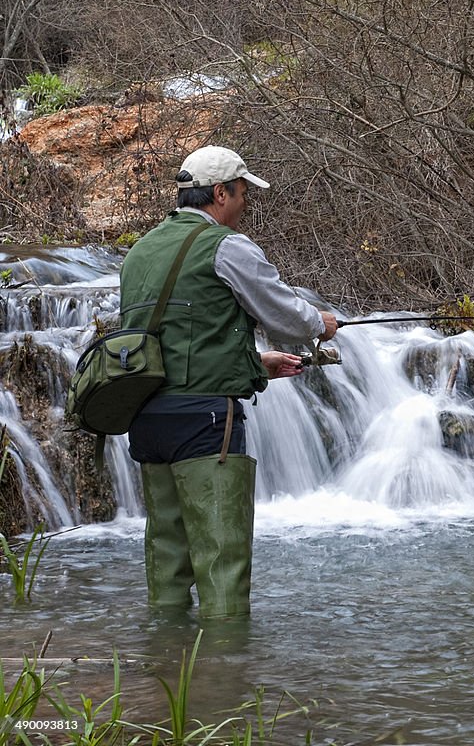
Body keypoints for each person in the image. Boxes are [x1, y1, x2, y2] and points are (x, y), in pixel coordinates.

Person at [120, 145, 338, 619]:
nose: (245, 204)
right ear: (219, 193)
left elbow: (172, 341)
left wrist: (255, 365)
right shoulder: (226, 246)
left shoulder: (139, 252)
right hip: (205, 421)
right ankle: (224, 680)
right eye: (242, 193)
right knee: (222, 565)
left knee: (168, 562)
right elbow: (283, 312)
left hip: (147, 420)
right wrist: (320, 323)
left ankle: (167, 670)